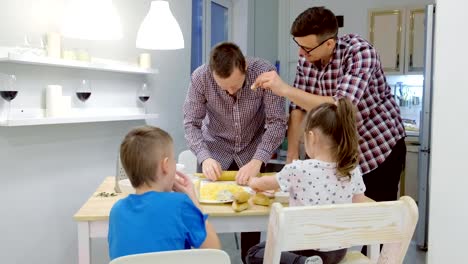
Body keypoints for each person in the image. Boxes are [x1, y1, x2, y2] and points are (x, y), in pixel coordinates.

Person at [252, 6, 406, 204]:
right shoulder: (307, 58)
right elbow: (297, 108)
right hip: (338, 155)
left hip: (377, 148)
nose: (300, 52)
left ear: (329, 43)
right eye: (298, 45)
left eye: (306, 48)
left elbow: (341, 106)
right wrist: (291, 157)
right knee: (336, 221)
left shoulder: (359, 52)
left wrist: (284, 89)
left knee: (374, 219)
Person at [183, 42, 287, 263]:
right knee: (205, 217)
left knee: (252, 218)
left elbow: (277, 122)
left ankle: (248, 258)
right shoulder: (200, 77)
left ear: (245, 66)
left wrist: (259, 159)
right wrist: (204, 156)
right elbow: (191, 123)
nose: (231, 92)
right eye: (225, 88)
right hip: (214, 152)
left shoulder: (264, 73)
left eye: (236, 86)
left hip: (253, 151)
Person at [246, 99, 371, 264]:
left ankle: (302, 262)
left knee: (255, 252)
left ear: (311, 137)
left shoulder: (299, 169)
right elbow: (359, 204)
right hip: (337, 252)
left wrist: (253, 181)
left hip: (301, 247)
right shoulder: (352, 170)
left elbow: (267, 183)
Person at [108, 126, 220, 260]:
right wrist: (194, 201)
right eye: (173, 159)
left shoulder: (116, 211)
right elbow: (215, 253)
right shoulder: (180, 205)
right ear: (165, 165)